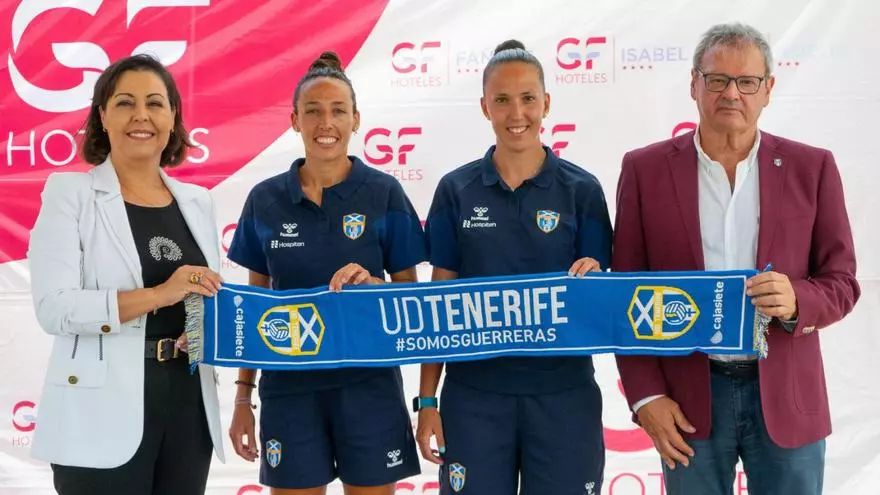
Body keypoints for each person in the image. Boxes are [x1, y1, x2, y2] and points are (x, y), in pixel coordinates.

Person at [613, 22, 860, 495]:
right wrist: (646, 396)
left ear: (768, 89)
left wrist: (797, 299)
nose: (731, 93)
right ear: (693, 84)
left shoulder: (812, 168)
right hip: (687, 400)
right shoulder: (644, 170)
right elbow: (624, 295)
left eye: (746, 81)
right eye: (717, 79)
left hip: (788, 397)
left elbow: (843, 282)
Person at [416, 40, 612, 495]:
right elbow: (437, 306)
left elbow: (605, 305)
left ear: (546, 103)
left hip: (563, 396)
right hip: (474, 397)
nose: (516, 113)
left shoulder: (582, 190)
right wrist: (427, 400)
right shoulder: (455, 190)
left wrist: (597, 283)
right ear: (485, 107)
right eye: (502, 100)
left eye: (528, 98)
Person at [226, 52, 425, 495]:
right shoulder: (265, 199)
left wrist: (374, 286)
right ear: (294, 120)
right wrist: (242, 397)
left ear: (356, 120)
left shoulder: (384, 192)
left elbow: (410, 301)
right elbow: (252, 309)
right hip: (289, 390)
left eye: (338, 110)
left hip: (369, 387)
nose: (326, 122)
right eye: (313, 111)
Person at [27, 54, 226, 495]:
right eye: (125, 103)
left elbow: (203, 295)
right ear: (103, 116)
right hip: (100, 409)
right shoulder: (70, 194)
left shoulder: (198, 201)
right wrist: (160, 293)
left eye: (155, 103)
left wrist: (208, 324)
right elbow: (54, 308)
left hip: (188, 405)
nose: (141, 115)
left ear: (173, 117)